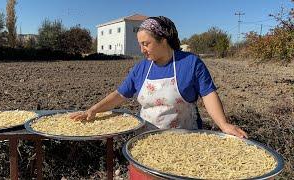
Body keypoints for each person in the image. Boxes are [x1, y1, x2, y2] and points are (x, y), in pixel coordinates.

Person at [70, 16, 248, 138]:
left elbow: (209, 95)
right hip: (146, 141)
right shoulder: (141, 68)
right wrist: (93, 109)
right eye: (140, 44)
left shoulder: (190, 63)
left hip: (187, 142)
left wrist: (224, 125)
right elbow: (120, 95)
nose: (142, 50)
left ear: (163, 40)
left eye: (146, 44)